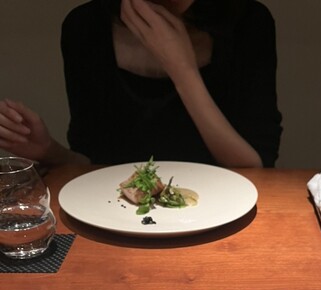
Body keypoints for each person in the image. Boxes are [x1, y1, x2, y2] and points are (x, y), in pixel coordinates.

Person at [0, 0, 282, 168]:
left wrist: (183, 71)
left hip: (221, 216)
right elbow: (93, 166)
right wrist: (48, 151)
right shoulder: (85, 27)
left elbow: (255, 166)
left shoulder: (248, 22)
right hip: (118, 220)